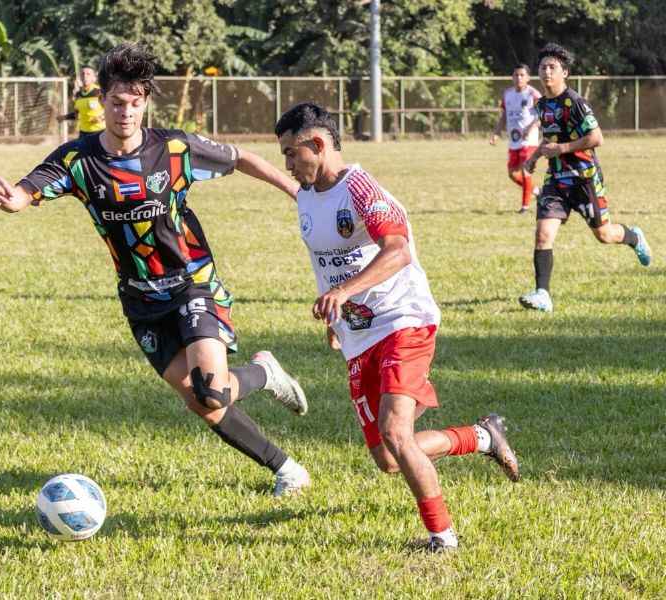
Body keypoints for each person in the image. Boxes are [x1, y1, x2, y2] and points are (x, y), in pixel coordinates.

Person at [0, 43, 311, 496]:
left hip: (192, 281)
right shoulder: (79, 161)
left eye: (135, 103)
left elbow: (240, 159)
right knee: (202, 403)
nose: (126, 112)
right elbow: (29, 189)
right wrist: (12, 199)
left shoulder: (174, 149)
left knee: (212, 390)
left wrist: (295, 192)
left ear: (144, 104)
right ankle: (285, 461)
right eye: (117, 102)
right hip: (139, 297)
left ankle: (265, 389)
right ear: (101, 101)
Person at [275, 102, 519, 552]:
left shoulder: (363, 190)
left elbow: (398, 250)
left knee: (396, 432)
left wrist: (344, 292)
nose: (288, 164)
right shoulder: (307, 196)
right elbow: (326, 261)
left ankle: (442, 538)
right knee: (388, 458)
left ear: (318, 144)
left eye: (292, 153)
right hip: (358, 333)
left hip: (403, 319)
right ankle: (483, 436)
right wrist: (336, 315)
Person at [520, 43, 652, 313]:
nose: (546, 72)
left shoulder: (575, 103)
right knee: (543, 235)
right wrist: (535, 157)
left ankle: (634, 237)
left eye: (552, 67)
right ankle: (542, 294)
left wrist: (563, 149)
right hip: (556, 180)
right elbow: (551, 136)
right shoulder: (543, 105)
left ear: (564, 73)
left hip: (584, 179)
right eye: (543, 67)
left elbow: (596, 138)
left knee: (604, 234)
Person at [489, 64, 541, 213]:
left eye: (522, 75)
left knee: (526, 172)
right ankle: (538, 192)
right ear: (512, 77)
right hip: (514, 141)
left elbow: (543, 115)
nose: (519, 78)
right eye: (516, 75)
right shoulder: (507, 94)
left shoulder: (533, 94)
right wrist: (496, 133)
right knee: (512, 174)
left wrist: (530, 128)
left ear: (528, 78)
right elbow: (504, 116)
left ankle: (524, 207)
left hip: (529, 141)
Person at [57, 66, 105, 137]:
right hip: (83, 133)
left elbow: (112, 110)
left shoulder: (99, 92)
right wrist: (64, 117)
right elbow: (77, 114)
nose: (85, 76)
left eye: (88, 74)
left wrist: (101, 118)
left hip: (99, 132)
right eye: (82, 74)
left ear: (94, 78)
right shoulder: (78, 95)